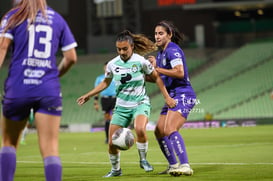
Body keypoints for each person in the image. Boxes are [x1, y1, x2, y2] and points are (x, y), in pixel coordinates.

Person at [77, 30, 176, 177]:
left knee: (140, 129)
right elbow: (105, 82)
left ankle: (143, 160)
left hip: (140, 103)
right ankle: (116, 170)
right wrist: (89, 95)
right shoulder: (112, 64)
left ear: (131, 47)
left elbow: (156, 78)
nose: (122, 52)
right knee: (112, 142)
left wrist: (167, 97)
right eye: (119, 49)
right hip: (121, 107)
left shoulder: (141, 61)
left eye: (125, 49)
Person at [0, 0, 78, 180]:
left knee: (9, 143)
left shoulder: (13, 16)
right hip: (47, 88)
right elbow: (71, 58)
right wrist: (54, 76)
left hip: (19, 86)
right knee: (50, 149)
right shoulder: (57, 19)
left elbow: (2, 48)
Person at [148, 20, 196, 177]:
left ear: (169, 35)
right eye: (156, 33)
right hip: (173, 94)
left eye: (161, 33)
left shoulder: (172, 50)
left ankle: (185, 165)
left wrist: (158, 68)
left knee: (169, 129)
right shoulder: (161, 53)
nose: (157, 36)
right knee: (159, 131)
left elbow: (179, 72)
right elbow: (159, 76)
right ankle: (173, 165)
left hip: (183, 93)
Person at [93, 61, 116, 144]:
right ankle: (107, 138)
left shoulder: (115, 77)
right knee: (107, 119)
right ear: (104, 68)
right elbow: (96, 90)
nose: (107, 68)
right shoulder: (100, 78)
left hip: (114, 99)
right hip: (104, 99)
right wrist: (95, 102)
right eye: (106, 67)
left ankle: (115, 137)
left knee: (114, 119)